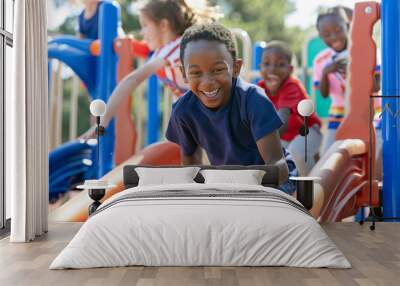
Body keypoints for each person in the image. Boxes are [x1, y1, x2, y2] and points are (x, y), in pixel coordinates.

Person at [166, 23, 299, 194]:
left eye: (218, 69)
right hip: (226, 185)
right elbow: (190, 163)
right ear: (184, 74)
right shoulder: (183, 111)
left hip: (273, 182)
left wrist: (240, 183)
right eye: (196, 73)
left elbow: (278, 166)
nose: (207, 82)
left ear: (236, 68)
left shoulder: (253, 100)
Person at [81, 0, 219, 138]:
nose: (141, 32)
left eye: (145, 25)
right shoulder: (167, 51)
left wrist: (103, 121)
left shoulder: (178, 48)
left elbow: (132, 80)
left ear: (164, 25)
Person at [257, 41, 322, 175]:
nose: (272, 69)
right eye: (266, 64)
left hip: (308, 131)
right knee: (274, 159)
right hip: (287, 137)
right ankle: (289, 189)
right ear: (260, 67)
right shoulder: (260, 88)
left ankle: (312, 189)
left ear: (290, 69)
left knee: (296, 153)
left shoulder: (291, 86)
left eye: (280, 65)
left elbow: (283, 120)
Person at [313, 7, 350, 154]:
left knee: (374, 148)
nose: (333, 37)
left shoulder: (362, 50)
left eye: (338, 30)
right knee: (327, 154)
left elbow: (376, 85)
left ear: (347, 27)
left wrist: (354, 73)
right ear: (321, 37)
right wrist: (325, 73)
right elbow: (324, 94)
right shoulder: (321, 60)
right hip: (338, 111)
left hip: (369, 111)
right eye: (327, 34)